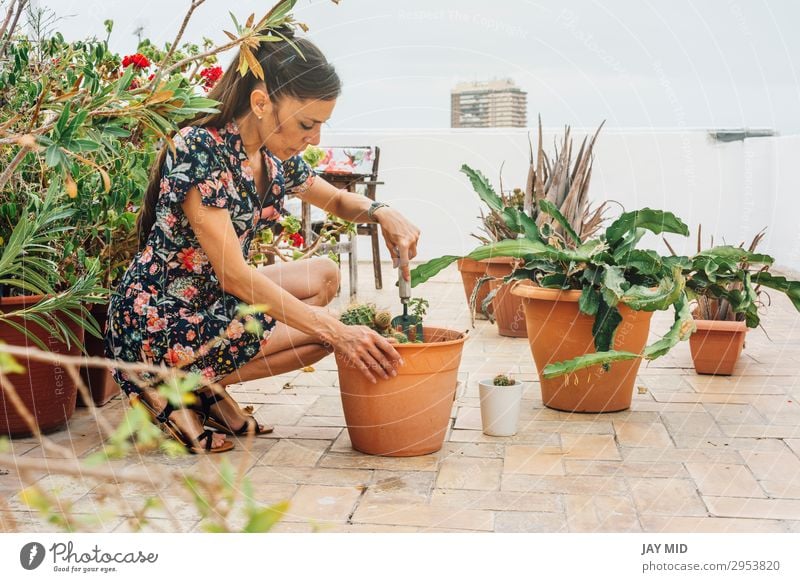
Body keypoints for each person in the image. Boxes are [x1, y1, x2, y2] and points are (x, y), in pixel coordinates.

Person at [105, 28, 421, 453]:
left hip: (208, 301)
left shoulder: (271, 160)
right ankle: (164, 382)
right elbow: (235, 276)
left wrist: (383, 212)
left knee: (324, 276)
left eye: (321, 126)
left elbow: (337, 199)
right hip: (161, 319)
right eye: (307, 124)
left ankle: (200, 386)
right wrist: (337, 330)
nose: (315, 139)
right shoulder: (200, 148)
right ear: (260, 103)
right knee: (323, 334)